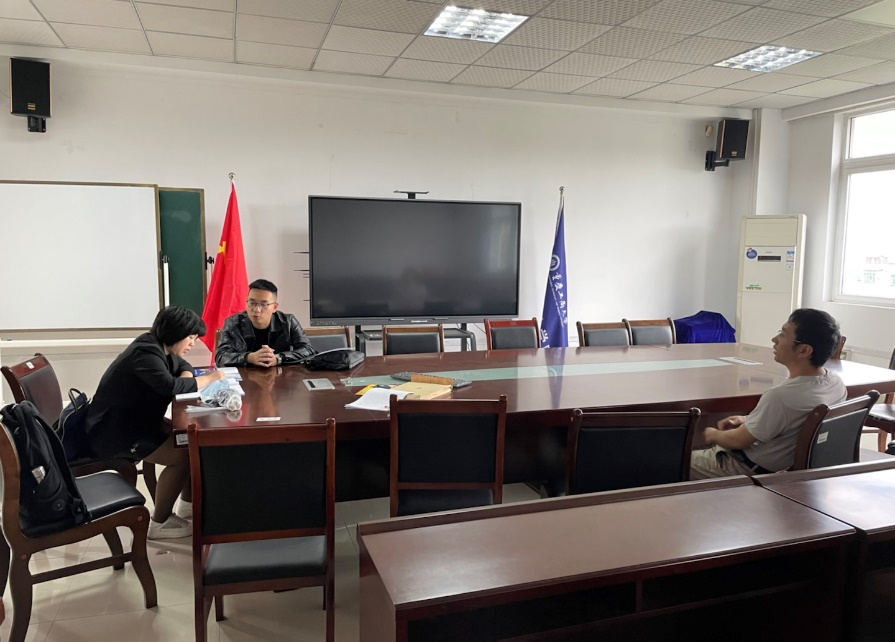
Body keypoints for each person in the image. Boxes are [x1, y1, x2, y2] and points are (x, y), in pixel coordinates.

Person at [85, 306, 225, 539]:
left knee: (189, 443)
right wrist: (210, 379)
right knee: (182, 456)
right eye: (191, 337)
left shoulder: (159, 347)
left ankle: (186, 505)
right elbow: (169, 386)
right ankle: (160, 522)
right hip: (115, 432)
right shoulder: (145, 353)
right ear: (176, 333)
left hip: (138, 422)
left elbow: (183, 366)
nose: (193, 343)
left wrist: (185, 378)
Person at [690, 308, 847, 479]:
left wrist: (711, 434)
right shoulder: (836, 384)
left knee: (670, 460)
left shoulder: (781, 397)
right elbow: (790, 420)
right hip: (786, 467)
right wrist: (747, 419)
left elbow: (738, 440)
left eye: (783, 334)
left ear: (803, 350)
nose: (774, 340)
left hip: (745, 469)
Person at [215, 279, 315, 367]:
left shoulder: (288, 322)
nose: (256, 310)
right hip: (245, 377)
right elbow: (220, 356)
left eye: (263, 304)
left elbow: (308, 350)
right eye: (252, 303)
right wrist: (249, 357)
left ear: (274, 307)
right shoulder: (233, 323)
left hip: (280, 377)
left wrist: (278, 358)